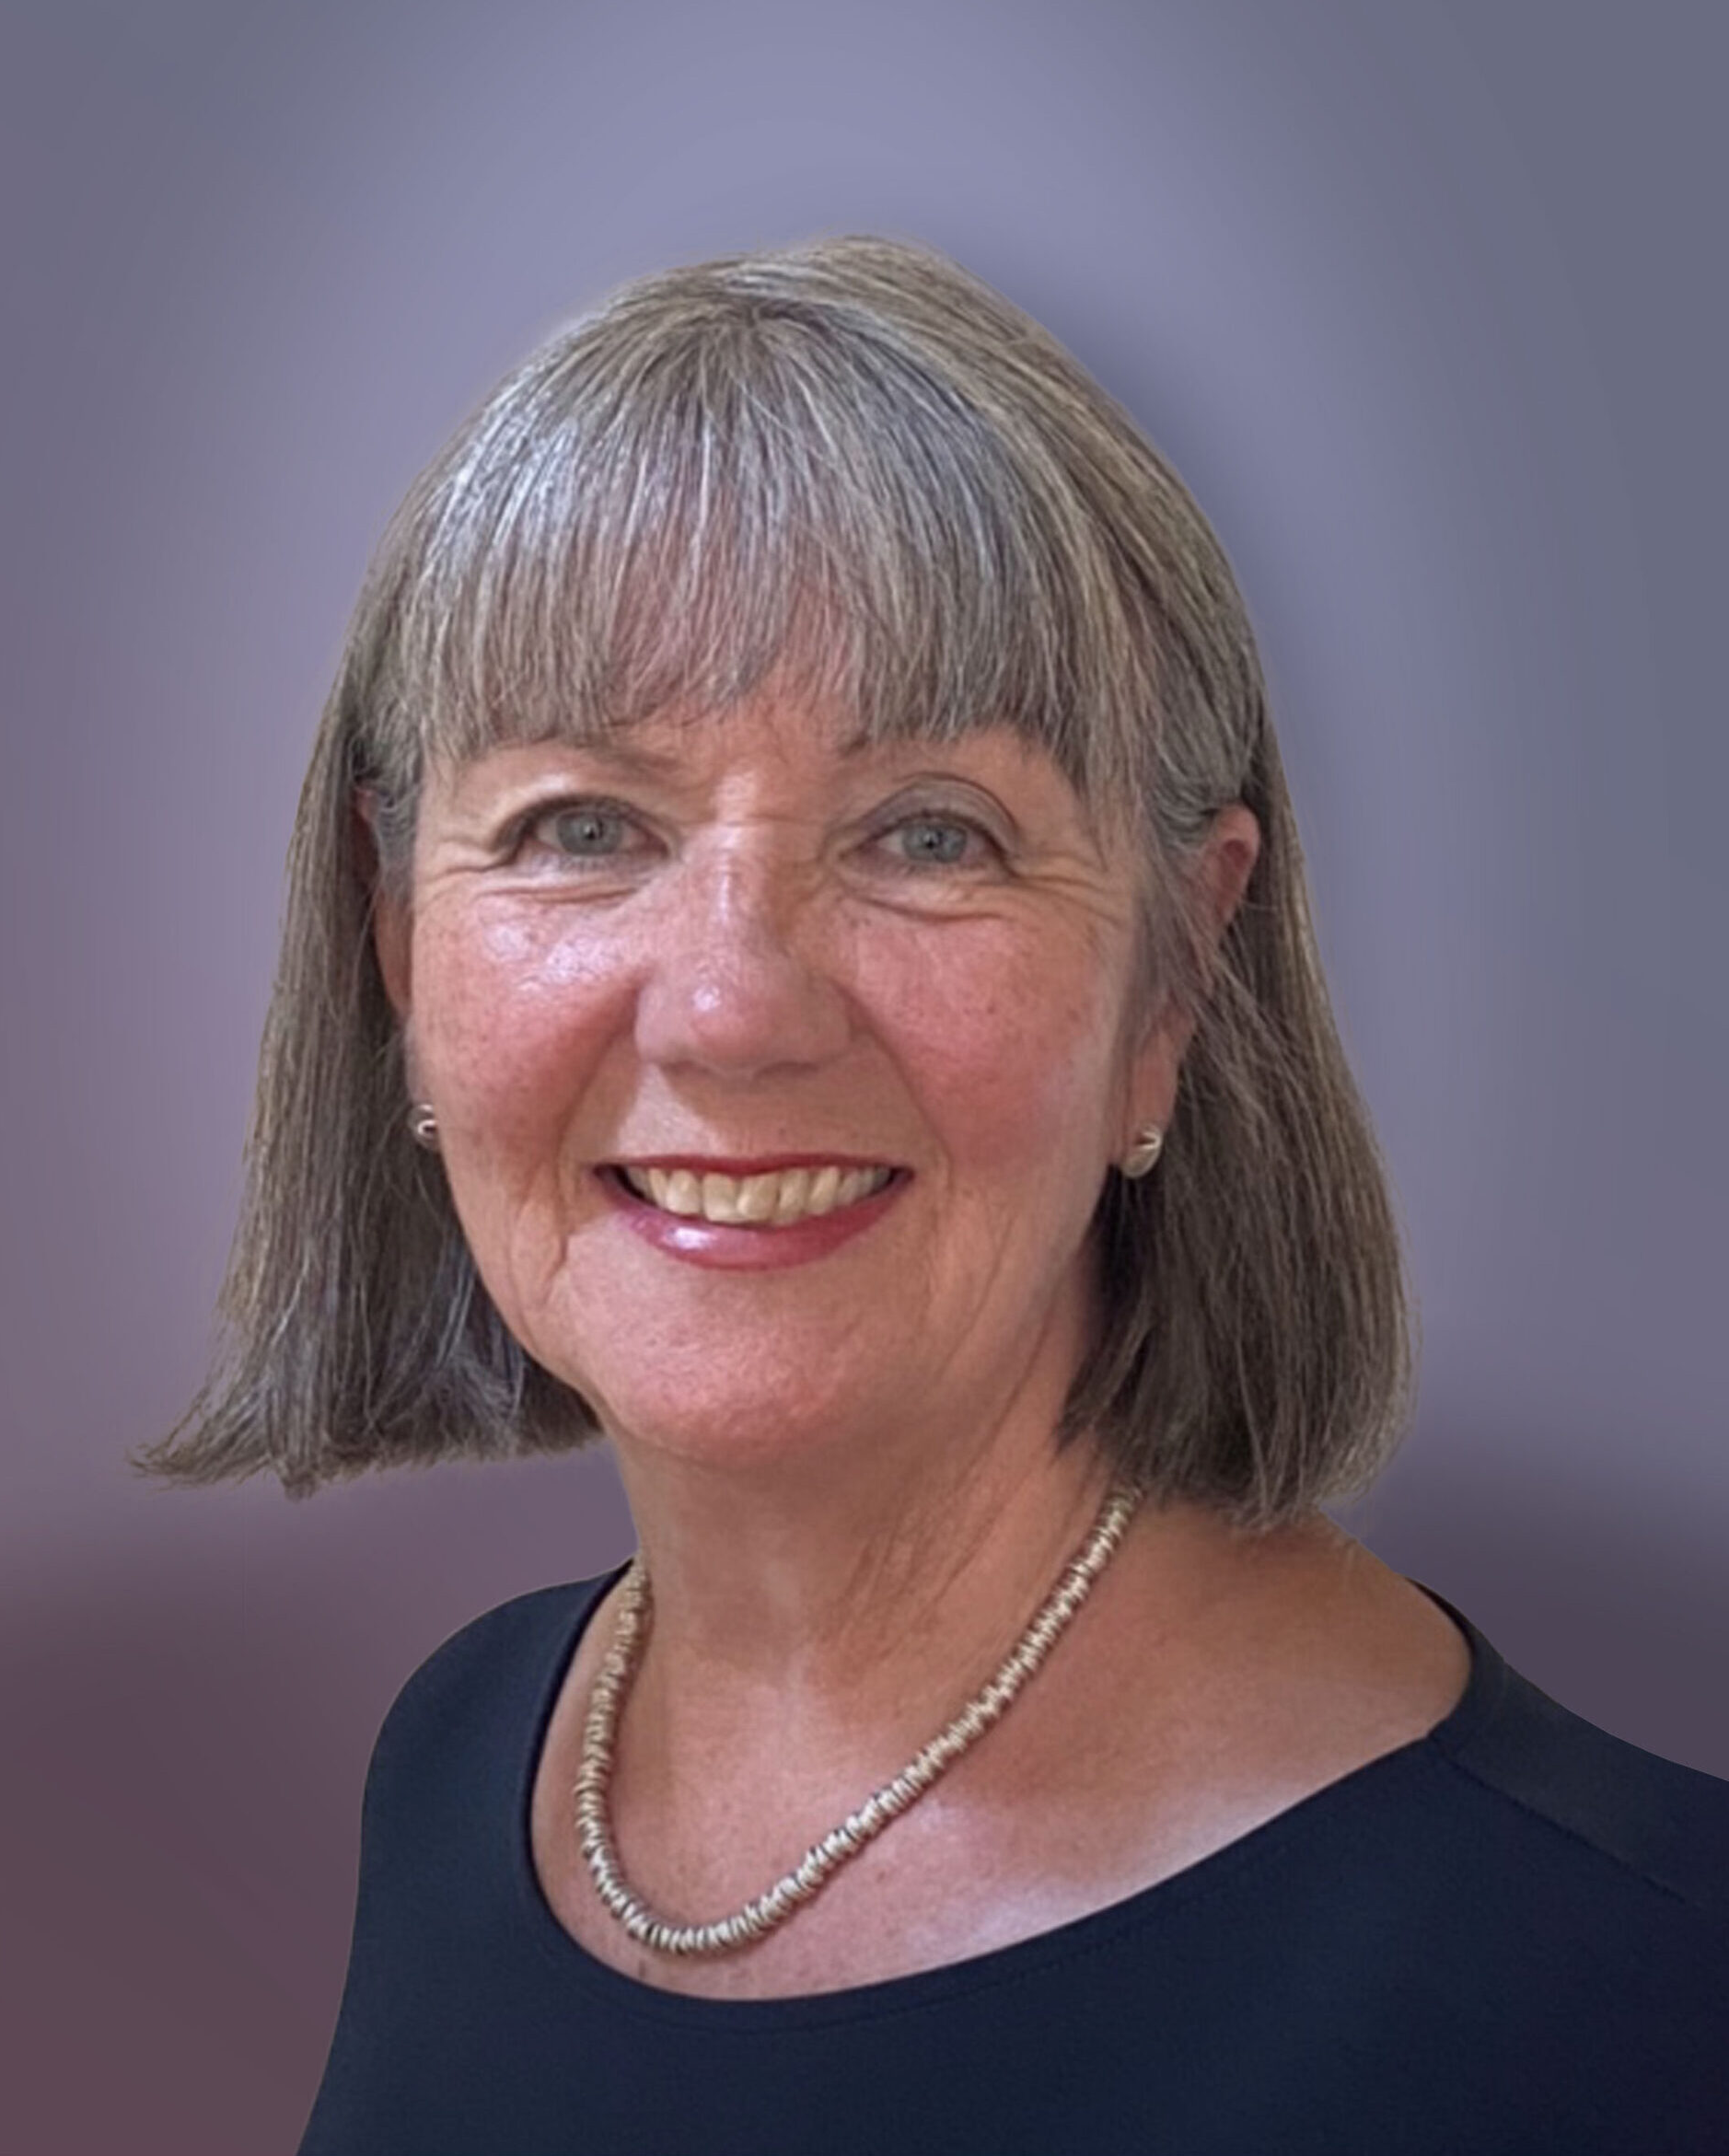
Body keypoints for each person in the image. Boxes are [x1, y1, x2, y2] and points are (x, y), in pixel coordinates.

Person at [143, 237, 1729, 2153]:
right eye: (583, 826)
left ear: (1174, 982)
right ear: (399, 942)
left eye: (927, 833)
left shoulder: (1637, 1995)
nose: (732, 1005)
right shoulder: (469, 1758)